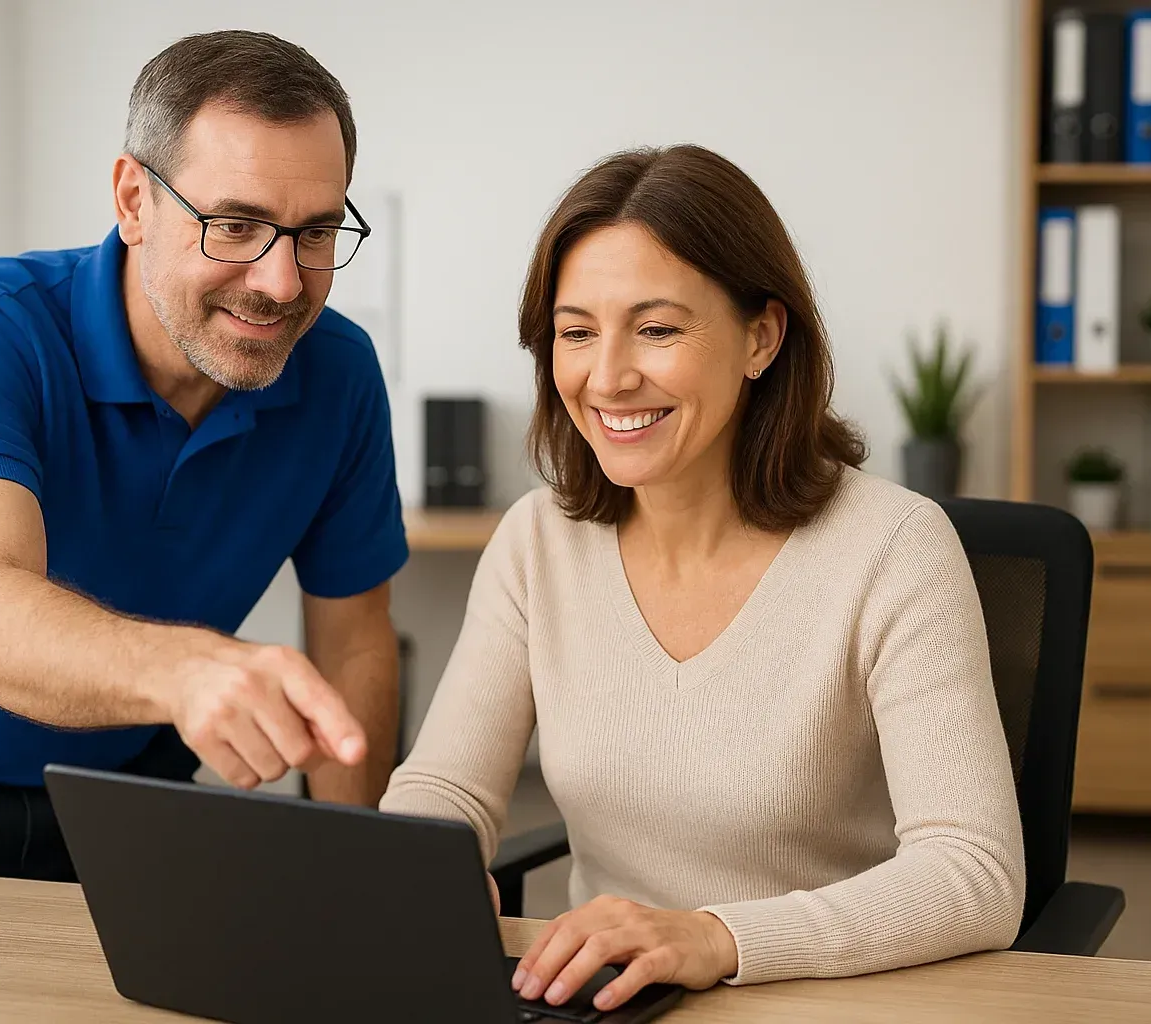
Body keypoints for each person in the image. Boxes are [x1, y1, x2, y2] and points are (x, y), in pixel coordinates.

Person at [379, 145, 1025, 1012]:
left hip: (831, 995)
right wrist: (426, 867)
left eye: (657, 328)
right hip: (611, 1002)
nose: (606, 377)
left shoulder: (895, 547)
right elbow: (446, 784)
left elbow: (973, 873)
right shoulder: (539, 539)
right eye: (576, 332)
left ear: (761, 336)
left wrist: (717, 936)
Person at [0, 30, 408, 880]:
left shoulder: (338, 372)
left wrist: (355, 863)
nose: (283, 282)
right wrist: (188, 669)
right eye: (234, 225)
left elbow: (355, 640)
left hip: (123, 782)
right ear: (134, 200)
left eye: (317, 231)